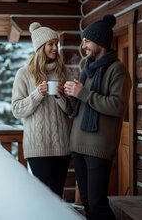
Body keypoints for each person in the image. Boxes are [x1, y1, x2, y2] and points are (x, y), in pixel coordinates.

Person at [63, 14, 132, 220]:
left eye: (87, 41)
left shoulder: (117, 70)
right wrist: (66, 94)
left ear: (99, 41)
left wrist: (83, 93)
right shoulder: (88, 70)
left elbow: (117, 106)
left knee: (97, 204)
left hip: (98, 148)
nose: (83, 46)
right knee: (87, 203)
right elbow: (77, 106)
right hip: (78, 145)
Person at [11, 22, 72, 198]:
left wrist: (60, 97)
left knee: (57, 197)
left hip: (62, 146)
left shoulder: (64, 72)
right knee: (45, 199)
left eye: (56, 44)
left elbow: (70, 110)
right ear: (40, 47)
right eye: (50, 44)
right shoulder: (24, 74)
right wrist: (37, 95)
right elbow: (16, 110)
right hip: (37, 148)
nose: (55, 48)